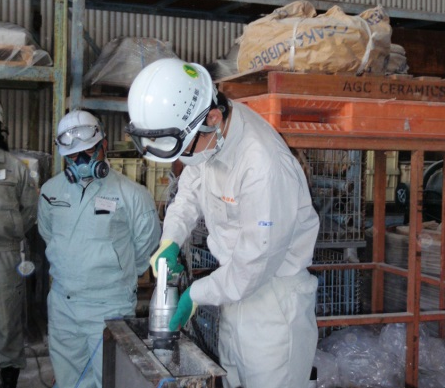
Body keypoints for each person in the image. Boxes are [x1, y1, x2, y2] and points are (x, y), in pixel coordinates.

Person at [126, 58, 320, 388]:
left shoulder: (262, 165)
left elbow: (254, 265)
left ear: (212, 118)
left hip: (273, 312)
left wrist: (196, 294)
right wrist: (170, 239)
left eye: (183, 150)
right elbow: (188, 191)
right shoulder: (209, 138)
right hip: (235, 299)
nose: (182, 160)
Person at [37, 110, 161, 388]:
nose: (81, 161)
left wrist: (114, 273)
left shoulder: (132, 195)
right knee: (69, 379)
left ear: (104, 145)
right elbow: (49, 235)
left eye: (88, 151)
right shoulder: (50, 192)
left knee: (111, 378)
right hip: (62, 306)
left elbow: (147, 246)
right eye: (73, 155)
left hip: (109, 306)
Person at [0, 103, 38, 388]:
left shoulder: (14, 168)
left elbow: (30, 208)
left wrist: (11, 232)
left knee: (7, 321)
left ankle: (8, 376)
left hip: (6, 254)